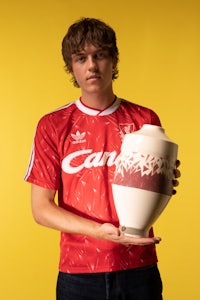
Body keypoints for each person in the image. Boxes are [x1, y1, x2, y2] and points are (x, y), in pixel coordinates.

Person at [24, 17, 180, 300]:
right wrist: (100, 231)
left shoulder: (145, 121)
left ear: (114, 60)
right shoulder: (53, 124)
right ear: (71, 67)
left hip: (138, 267)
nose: (92, 66)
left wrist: (162, 181)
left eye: (100, 55)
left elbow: (152, 192)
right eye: (81, 58)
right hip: (78, 273)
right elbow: (41, 208)